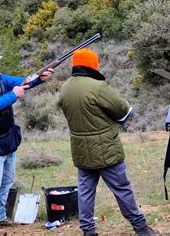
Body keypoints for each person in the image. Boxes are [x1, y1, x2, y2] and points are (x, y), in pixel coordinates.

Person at [58, 49, 159, 236]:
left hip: (80, 150)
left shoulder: (65, 88)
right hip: (106, 150)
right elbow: (123, 111)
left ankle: (88, 231)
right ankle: (141, 227)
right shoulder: (97, 87)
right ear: (92, 65)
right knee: (122, 190)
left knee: (85, 193)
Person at [0, 52, 53, 230]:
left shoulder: (0, 79)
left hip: (8, 138)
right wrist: (13, 95)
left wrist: (40, 78)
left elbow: (23, 81)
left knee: (7, 181)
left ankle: (1, 216)